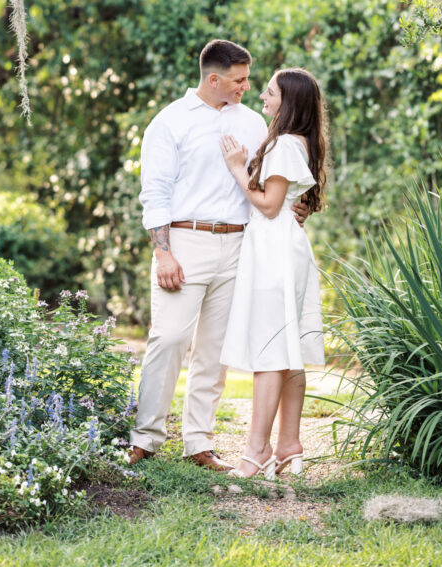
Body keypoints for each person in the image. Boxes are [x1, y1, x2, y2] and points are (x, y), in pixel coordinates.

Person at [128, 39, 309, 470]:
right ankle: (145, 437)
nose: (248, 86)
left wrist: (295, 207)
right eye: (240, 79)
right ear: (214, 79)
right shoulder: (169, 122)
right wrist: (163, 253)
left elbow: (274, 180)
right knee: (169, 338)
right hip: (185, 242)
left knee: (214, 349)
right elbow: (154, 193)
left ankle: (199, 442)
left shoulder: (254, 124)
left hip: (242, 244)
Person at [219, 67, 326, 479]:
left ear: (289, 101)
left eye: (269, 93)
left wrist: (236, 167)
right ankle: (288, 445)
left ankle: (256, 450)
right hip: (283, 245)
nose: (262, 98)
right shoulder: (301, 142)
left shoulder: (283, 144)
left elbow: (267, 204)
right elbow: (286, 204)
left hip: (274, 249)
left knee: (270, 350)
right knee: (286, 349)